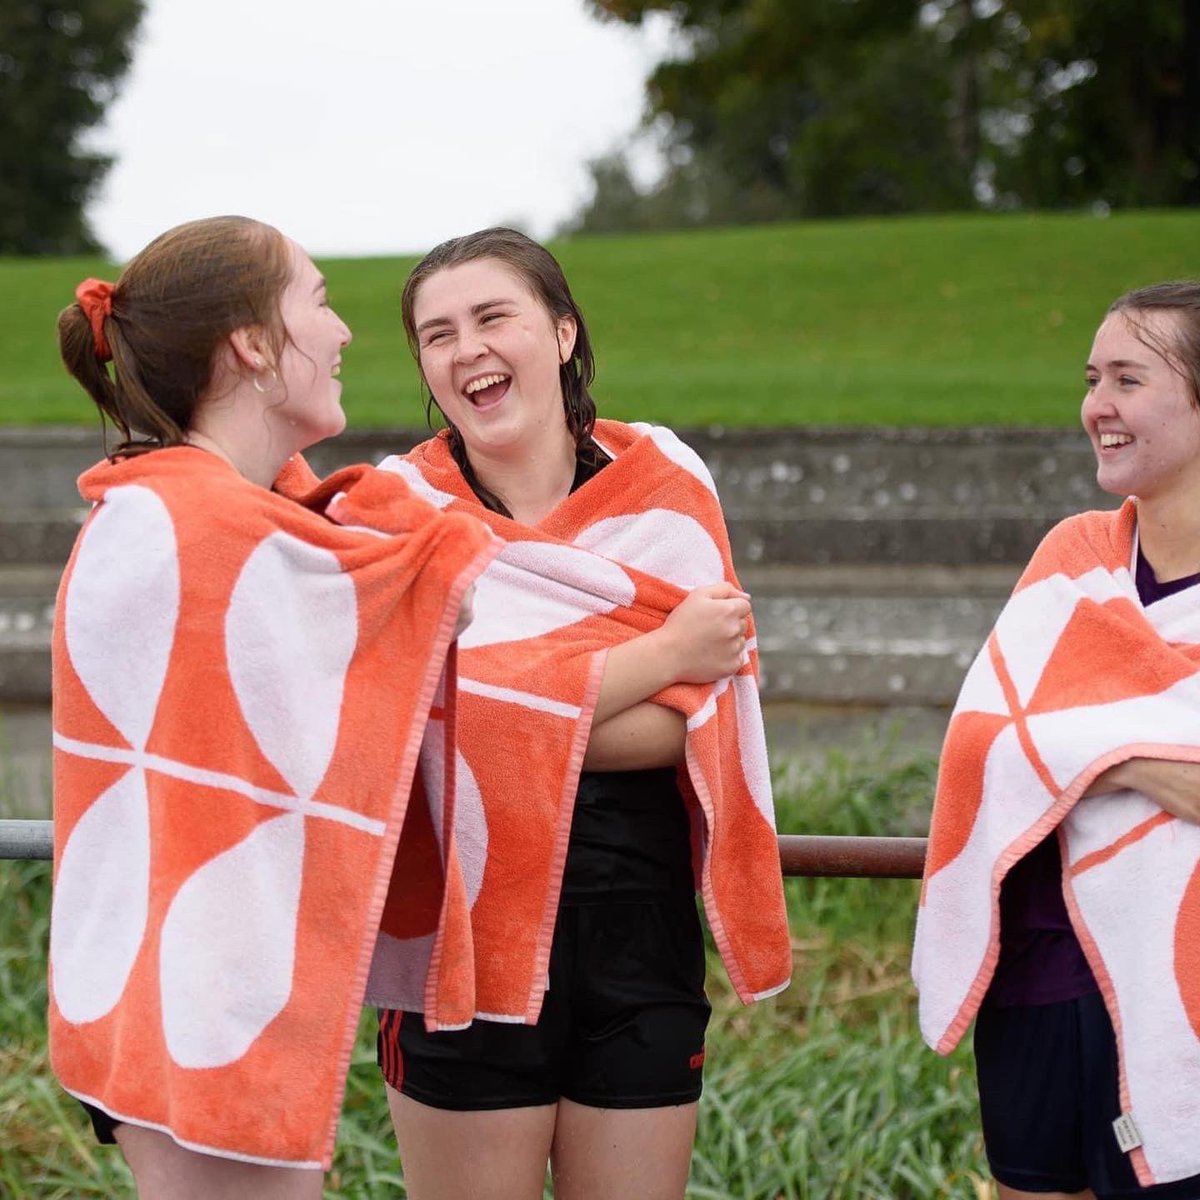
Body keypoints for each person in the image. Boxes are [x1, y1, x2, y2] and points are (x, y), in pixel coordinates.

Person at [49, 215, 495, 1198]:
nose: (341, 333)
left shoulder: (194, 513)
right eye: (320, 302)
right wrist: (427, 562)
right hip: (200, 999)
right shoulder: (202, 530)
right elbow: (402, 622)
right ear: (252, 344)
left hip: (169, 993)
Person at [370, 228, 794, 1200]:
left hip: (637, 926)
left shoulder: (669, 487)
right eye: (437, 334)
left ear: (560, 332)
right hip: (458, 939)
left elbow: (707, 722)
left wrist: (502, 709)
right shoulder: (397, 515)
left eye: (491, 317)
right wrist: (659, 658)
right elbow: (412, 734)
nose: (465, 349)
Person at [913, 281, 1200, 1199]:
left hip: (1179, 998)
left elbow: (1035, 748)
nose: (1096, 407)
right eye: (1091, 379)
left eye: (1128, 378)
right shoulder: (1072, 558)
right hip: (1040, 977)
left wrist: (1071, 750)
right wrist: (1135, 761)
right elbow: (981, 747)